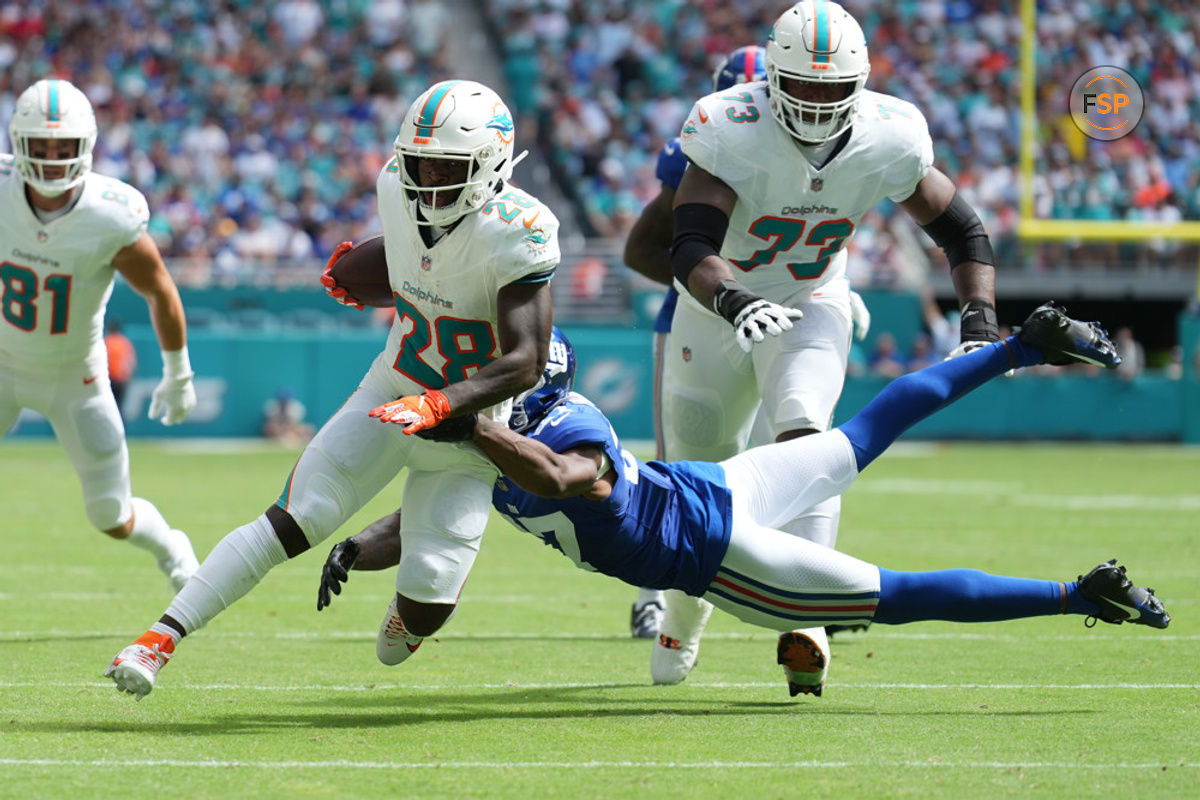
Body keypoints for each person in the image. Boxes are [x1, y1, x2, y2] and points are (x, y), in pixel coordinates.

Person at [316, 306, 1167, 700]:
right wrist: (358, 545)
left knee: (893, 595)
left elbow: (559, 480)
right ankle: (1020, 344)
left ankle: (1075, 593)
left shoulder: (564, 424)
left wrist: (463, 425)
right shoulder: (512, 431)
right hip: (716, 485)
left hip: (715, 552)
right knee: (862, 434)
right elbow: (437, 514)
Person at [105, 79, 561, 700]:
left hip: (467, 428)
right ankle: (158, 639)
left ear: (488, 165)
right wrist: (370, 269)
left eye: (443, 165)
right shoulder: (395, 191)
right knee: (298, 515)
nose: (424, 177)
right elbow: (417, 261)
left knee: (421, 605)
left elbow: (527, 360)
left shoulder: (522, 229)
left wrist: (441, 404)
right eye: (417, 159)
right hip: (391, 387)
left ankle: (411, 610)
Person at [657, 0, 1004, 694]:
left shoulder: (891, 133)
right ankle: (680, 619)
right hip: (715, 307)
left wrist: (981, 321)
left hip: (812, 297)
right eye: (803, 86)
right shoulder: (733, 123)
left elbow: (962, 231)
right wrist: (732, 296)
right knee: (695, 482)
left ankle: (807, 623)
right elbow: (688, 240)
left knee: (805, 432)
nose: (817, 101)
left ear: (862, 83)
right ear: (771, 78)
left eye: (832, 88)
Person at [623, 44, 872, 640]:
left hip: (786, 312)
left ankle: (806, 593)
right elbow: (646, 248)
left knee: (792, 442)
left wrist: (832, 287)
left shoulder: (831, 146)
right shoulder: (714, 141)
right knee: (683, 462)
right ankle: (656, 597)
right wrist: (719, 294)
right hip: (705, 317)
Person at [0, 78, 199, 591]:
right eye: (39, 148)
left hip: (75, 377)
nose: (49, 160)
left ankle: (172, 546)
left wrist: (178, 371)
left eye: (61, 148)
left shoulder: (110, 214)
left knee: (111, 515)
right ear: (17, 144)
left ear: (84, 148)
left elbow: (160, 290)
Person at [103, 317, 137, 414]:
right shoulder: (124, 342)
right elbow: (131, 362)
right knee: (119, 408)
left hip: (108, 379)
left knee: (108, 407)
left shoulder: (107, 341)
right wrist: (128, 377)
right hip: (121, 380)